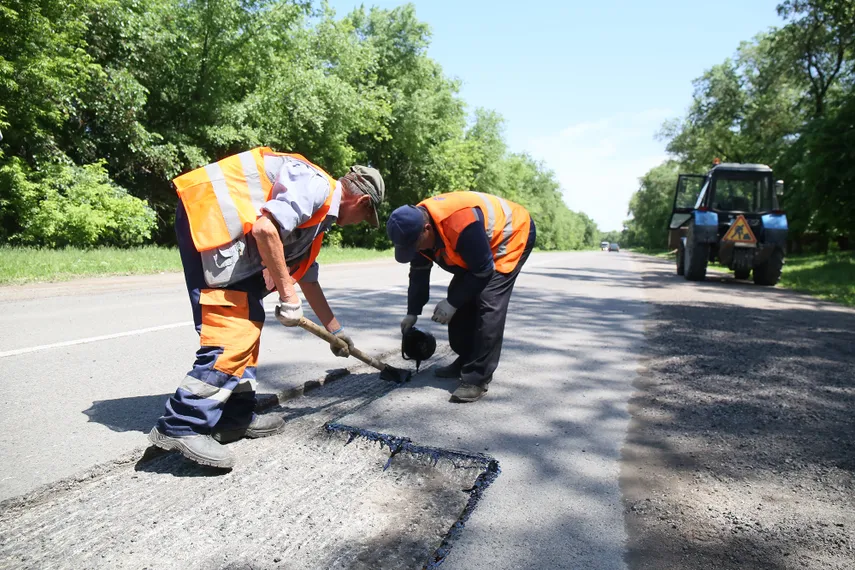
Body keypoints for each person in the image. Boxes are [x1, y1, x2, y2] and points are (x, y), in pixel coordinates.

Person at [149, 147, 385, 469]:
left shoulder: (318, 219)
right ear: (362, 202)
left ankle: (234, 416)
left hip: (227, 238)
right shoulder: (316, 187)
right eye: (364, 218)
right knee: (233, 327)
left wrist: (336, 332)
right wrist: (287, 296)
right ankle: (183, 423)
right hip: (210, 223)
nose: (359, 223)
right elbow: (265, 229)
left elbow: (307, 278)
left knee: (251, 320)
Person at [386, 191, 535, 403]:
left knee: (488, 301)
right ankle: (466, 359)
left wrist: (452, 303)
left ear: (426, 230)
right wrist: (412, 312)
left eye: (415, 246)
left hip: (511, 236)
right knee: (459, 293)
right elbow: (419, 272)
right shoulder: (414, 226)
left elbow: (483, 271)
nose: (415, 251)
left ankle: (477, 378)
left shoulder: (459, 224)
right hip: (477, 247)